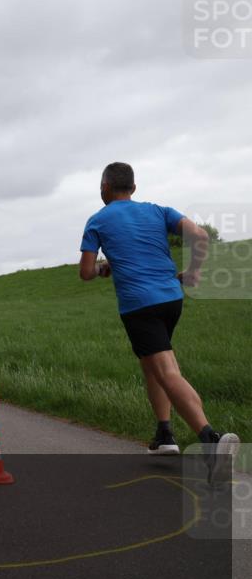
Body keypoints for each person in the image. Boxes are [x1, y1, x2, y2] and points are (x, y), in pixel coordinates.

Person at [79, 162, 239, 463]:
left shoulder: (97, 220)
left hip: (140, 305)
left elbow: (86, 272)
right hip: (171, 299)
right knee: (151, 364)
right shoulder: (158, 211)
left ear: (104, 187)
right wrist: (193, 271)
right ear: (133, 188)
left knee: (166, 371)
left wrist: (102, 268)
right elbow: (200, 236)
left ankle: (211, 440)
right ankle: (164, 434)